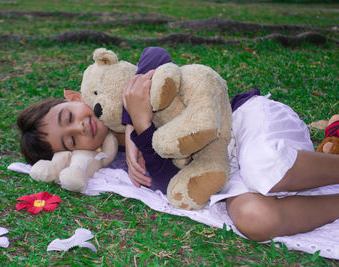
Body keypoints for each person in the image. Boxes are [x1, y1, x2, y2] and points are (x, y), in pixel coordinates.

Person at [18, 47, 339, 242]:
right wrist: (144, 132)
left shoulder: (116, 88)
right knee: (255, 219)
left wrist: (132, 122)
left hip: (241, 122)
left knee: (264, 169)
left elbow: (156, 55)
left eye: (68, 116)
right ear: (74, 153)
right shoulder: (115, 163)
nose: (80, 125)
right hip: (220, 167)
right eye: (71, 139)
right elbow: (167, 182)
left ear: (74, 98)